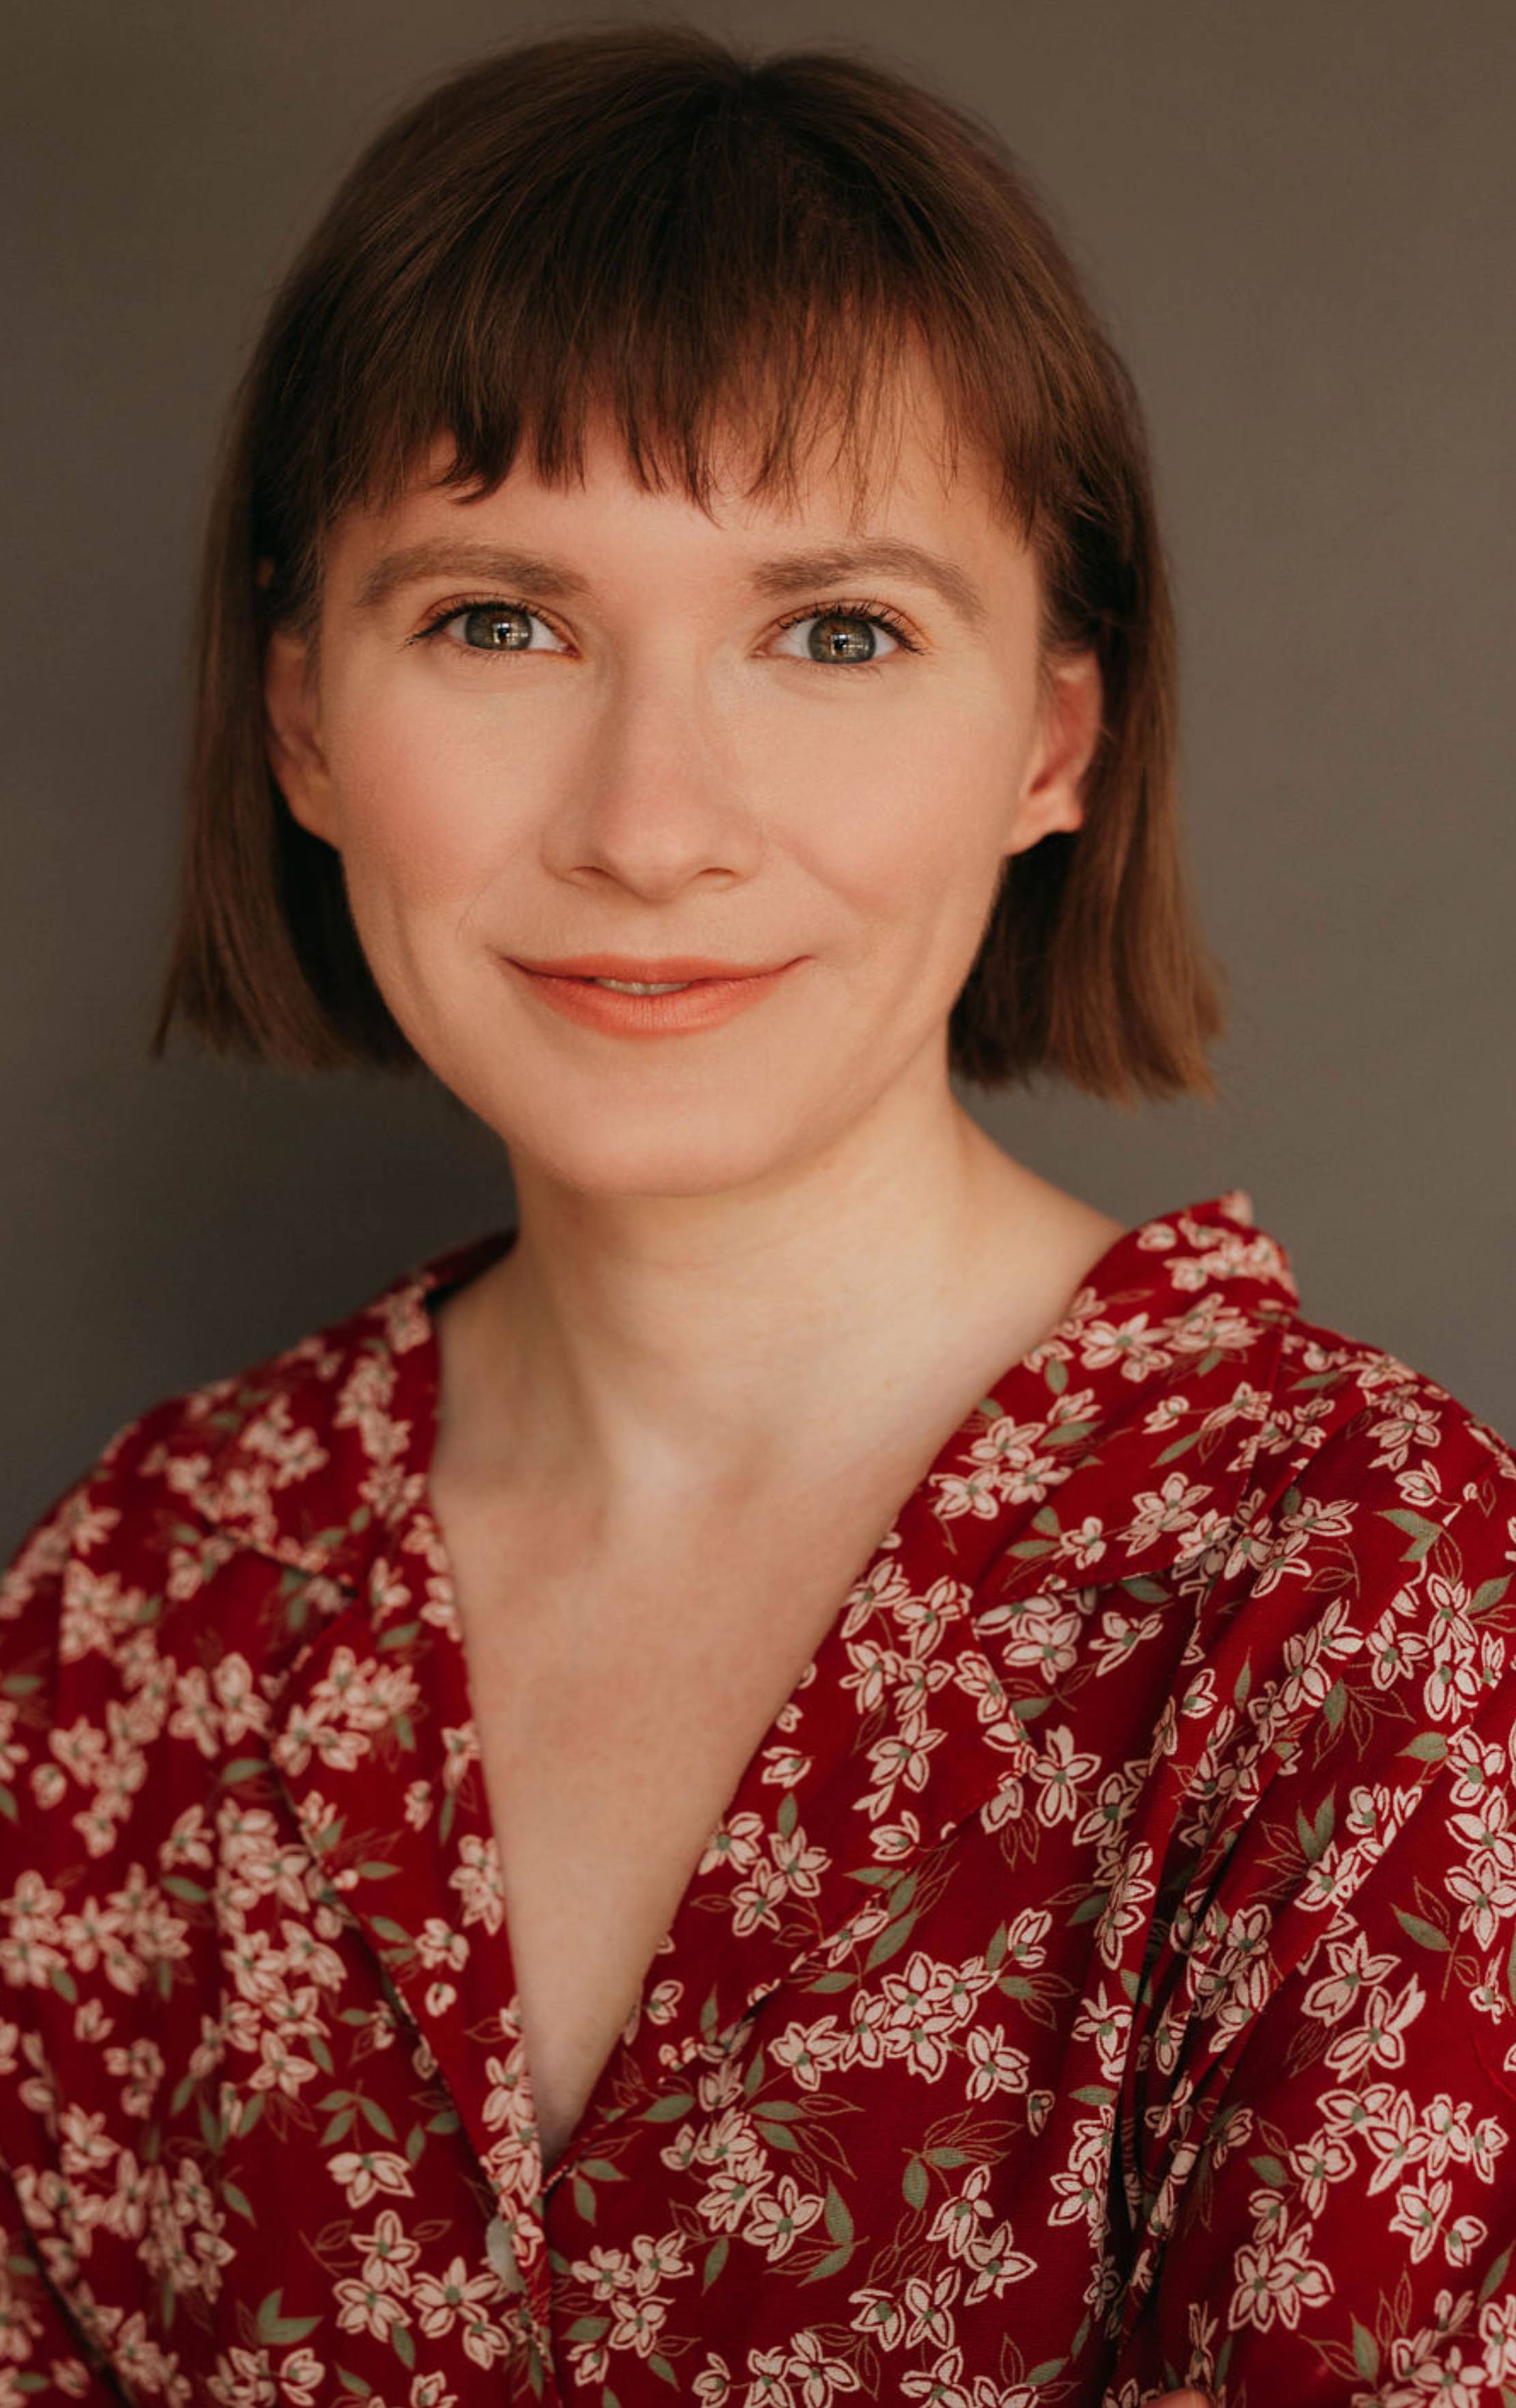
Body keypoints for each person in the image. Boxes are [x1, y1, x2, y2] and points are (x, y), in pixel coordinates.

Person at [1, 24, 1512, 2407]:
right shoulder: (136, 1618)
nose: (655, 820)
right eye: (499, 618)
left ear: (1056, 740)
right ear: (300, 714)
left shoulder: (1353, 1598)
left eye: (837, 631)